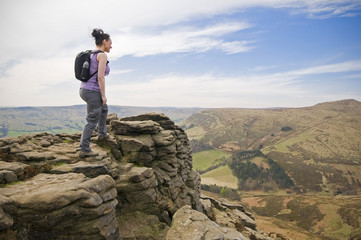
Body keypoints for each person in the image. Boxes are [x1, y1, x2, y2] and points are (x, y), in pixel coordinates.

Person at [79, 28, 112, 158]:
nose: (111, 45)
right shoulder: (102, 55)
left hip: (84, 89)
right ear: (104, 41)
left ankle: (102, 134)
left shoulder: (91, 54)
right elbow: (100, 77)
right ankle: (84, 149)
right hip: (93, 91)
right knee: (92, 120)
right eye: (110, 42)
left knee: (104, 109)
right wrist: (103, 95)